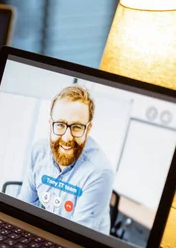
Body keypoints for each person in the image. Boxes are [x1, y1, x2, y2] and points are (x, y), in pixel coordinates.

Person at [18, 85, 114, 234]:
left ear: (88, 129)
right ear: (50, 125)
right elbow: (22, 209)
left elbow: (76, 239)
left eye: (76, 127)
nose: (67, 138)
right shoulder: (38, 152)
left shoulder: (99, 171)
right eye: (61, 125)